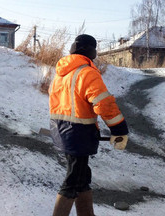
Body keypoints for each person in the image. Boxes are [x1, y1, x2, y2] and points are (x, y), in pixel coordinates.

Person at [49, 34, 129, 216]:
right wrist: (119, 129)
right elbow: (104, 103)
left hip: (62, 131)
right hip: (78, 134)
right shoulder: (86, 72)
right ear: (90, 50)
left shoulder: (61, 74)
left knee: (82, 177)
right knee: (72, 181)